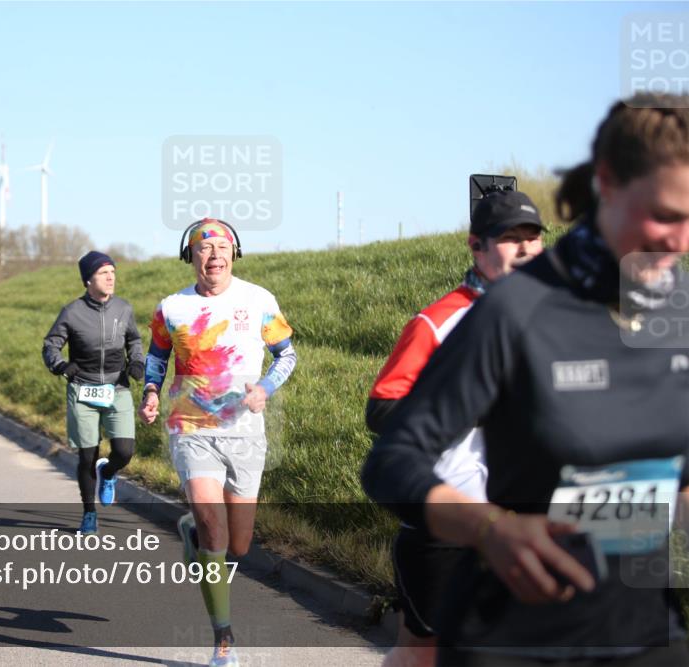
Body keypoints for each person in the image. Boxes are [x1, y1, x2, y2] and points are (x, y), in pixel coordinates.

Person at [361, 93, 689, 666]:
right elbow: (392, 460)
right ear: (608, 183)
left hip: (644, 631)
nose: (680, 240)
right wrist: (489, 529)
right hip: (516, 637)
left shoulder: (675, 305)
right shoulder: (516, 309)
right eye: (664, 215)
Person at [365, 189, 545, 667]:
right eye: (510, 237)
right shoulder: (439, 322)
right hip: (450, 518)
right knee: (422, 651)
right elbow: (381, 409)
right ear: (476, 247)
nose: (525, 247)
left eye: (533, 236)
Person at [138, 219, 298, 667]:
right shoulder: (171, 307)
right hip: (191, 425)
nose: (214, 257)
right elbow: (156, 358)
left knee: (240, 546)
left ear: (234, 254)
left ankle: (192, 534)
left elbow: (287, 354)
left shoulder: (259, 300)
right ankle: (224, 638)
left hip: (245, 429)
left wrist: (264, 388)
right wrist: (151, 392)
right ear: (191, 257)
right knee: (212, 523)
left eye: (222, 249)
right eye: (204, 250)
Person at [43, 251, 145, 534]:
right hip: (83, 390)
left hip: (117, 387)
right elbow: (51, 345)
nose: (111, 277)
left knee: (125, 451)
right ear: (88, 279)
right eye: (103, 273)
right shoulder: (72, 311)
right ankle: (89, 512)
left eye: (112, 271)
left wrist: (137, 360)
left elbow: (134, 339)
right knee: (87, 456)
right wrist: (61, 365)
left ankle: (108, 472)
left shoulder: (123, 309)